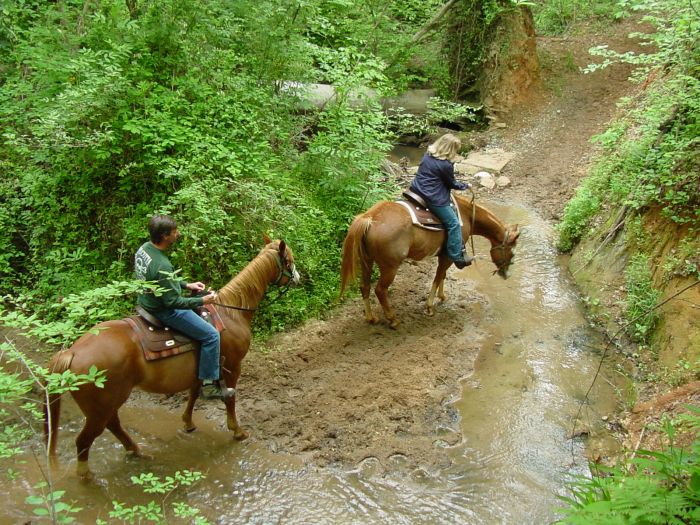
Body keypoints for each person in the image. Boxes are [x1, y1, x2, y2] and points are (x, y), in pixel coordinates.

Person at [134, 214, 234, 400]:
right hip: (163, 310)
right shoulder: (162, 264)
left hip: (145, 301)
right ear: (165, 236)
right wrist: (203, 301)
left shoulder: (144, 250)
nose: (178, 234)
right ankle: (208, 386)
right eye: (174, 232)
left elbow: (159, 279)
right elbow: (172, 302)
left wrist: (186, 285)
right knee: (211, 336)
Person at [409, 133, 474, 269]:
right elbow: (451, 183)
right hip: (432, 197)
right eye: (455, 149)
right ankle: (455, 255)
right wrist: (466, 186)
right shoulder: (445, 164)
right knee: (454, 223)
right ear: (450, 149)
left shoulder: (428, 155)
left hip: (416, 190)